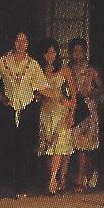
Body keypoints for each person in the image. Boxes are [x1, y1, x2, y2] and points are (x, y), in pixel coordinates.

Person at [0, 32, 56, 198]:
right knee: (9, 146)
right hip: (8, 109)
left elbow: (42, 87)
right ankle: (9, 184)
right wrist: (2, 98)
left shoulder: (32, 64)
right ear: (13, 42)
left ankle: (22, 187)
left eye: (24, 41)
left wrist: (59, 97)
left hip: (27, 110)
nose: (21, 43)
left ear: (28, 44)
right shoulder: (1, 62)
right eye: (18, 40)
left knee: (26, 148)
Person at [35, 39, 75, 195]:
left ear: (57, 53)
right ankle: (54, 177)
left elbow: (73, 93)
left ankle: (53, 179)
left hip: (61, 111)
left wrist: (71, 113)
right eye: (47, 52)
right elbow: (37, 93)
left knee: (59, 145)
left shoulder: (64, 69)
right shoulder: (39, 71)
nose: (50, 55)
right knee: (48, 147)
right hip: (46, 112)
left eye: (52, 52)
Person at [69, 37, 104, 192]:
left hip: (88, 110)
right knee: (74, 144)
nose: (78, 54)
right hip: (74, 108)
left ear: (85, 52)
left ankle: (83, 177)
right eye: (75, 51)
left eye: (80, 51)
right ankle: (81, 176)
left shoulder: (91, 71)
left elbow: (102, 89)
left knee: (86, 145)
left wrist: (91, 92)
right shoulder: (68, 70)